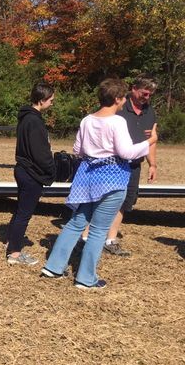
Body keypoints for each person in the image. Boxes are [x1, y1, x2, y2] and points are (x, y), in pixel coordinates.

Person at [40, 79, 158, 289]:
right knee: (98, 230)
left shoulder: (87, 120)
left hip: (87, 177)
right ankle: (86, 278)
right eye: (122, 98)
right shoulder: (117, 121)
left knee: (76, 222)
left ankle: (53, 267)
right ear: (116, 99)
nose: (124, 102)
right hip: (112, 179)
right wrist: (150, 141)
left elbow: (78, 149)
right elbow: (127, 153)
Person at [82, 76, 158, 257]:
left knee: (124, 202)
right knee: (99, 201)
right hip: (112, 165)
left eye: (150, 95)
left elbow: (151, 141)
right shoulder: (118, 109)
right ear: (134, 89)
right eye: (144, 93)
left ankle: (110, 240)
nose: (146, 97)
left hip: (133, 166)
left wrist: (152, 164)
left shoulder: (150, 112)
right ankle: (84, 238)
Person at [5, 82, 56, 265]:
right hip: (30, 173)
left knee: (20, 210)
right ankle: (15, 254)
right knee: (24, 213)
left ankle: (12, 242)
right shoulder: (33, 121)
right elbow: (40, 153)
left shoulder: (27, 118)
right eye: (51, 100)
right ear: (42, 100)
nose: (52, 103)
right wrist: (52, 169)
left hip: (24, 170)